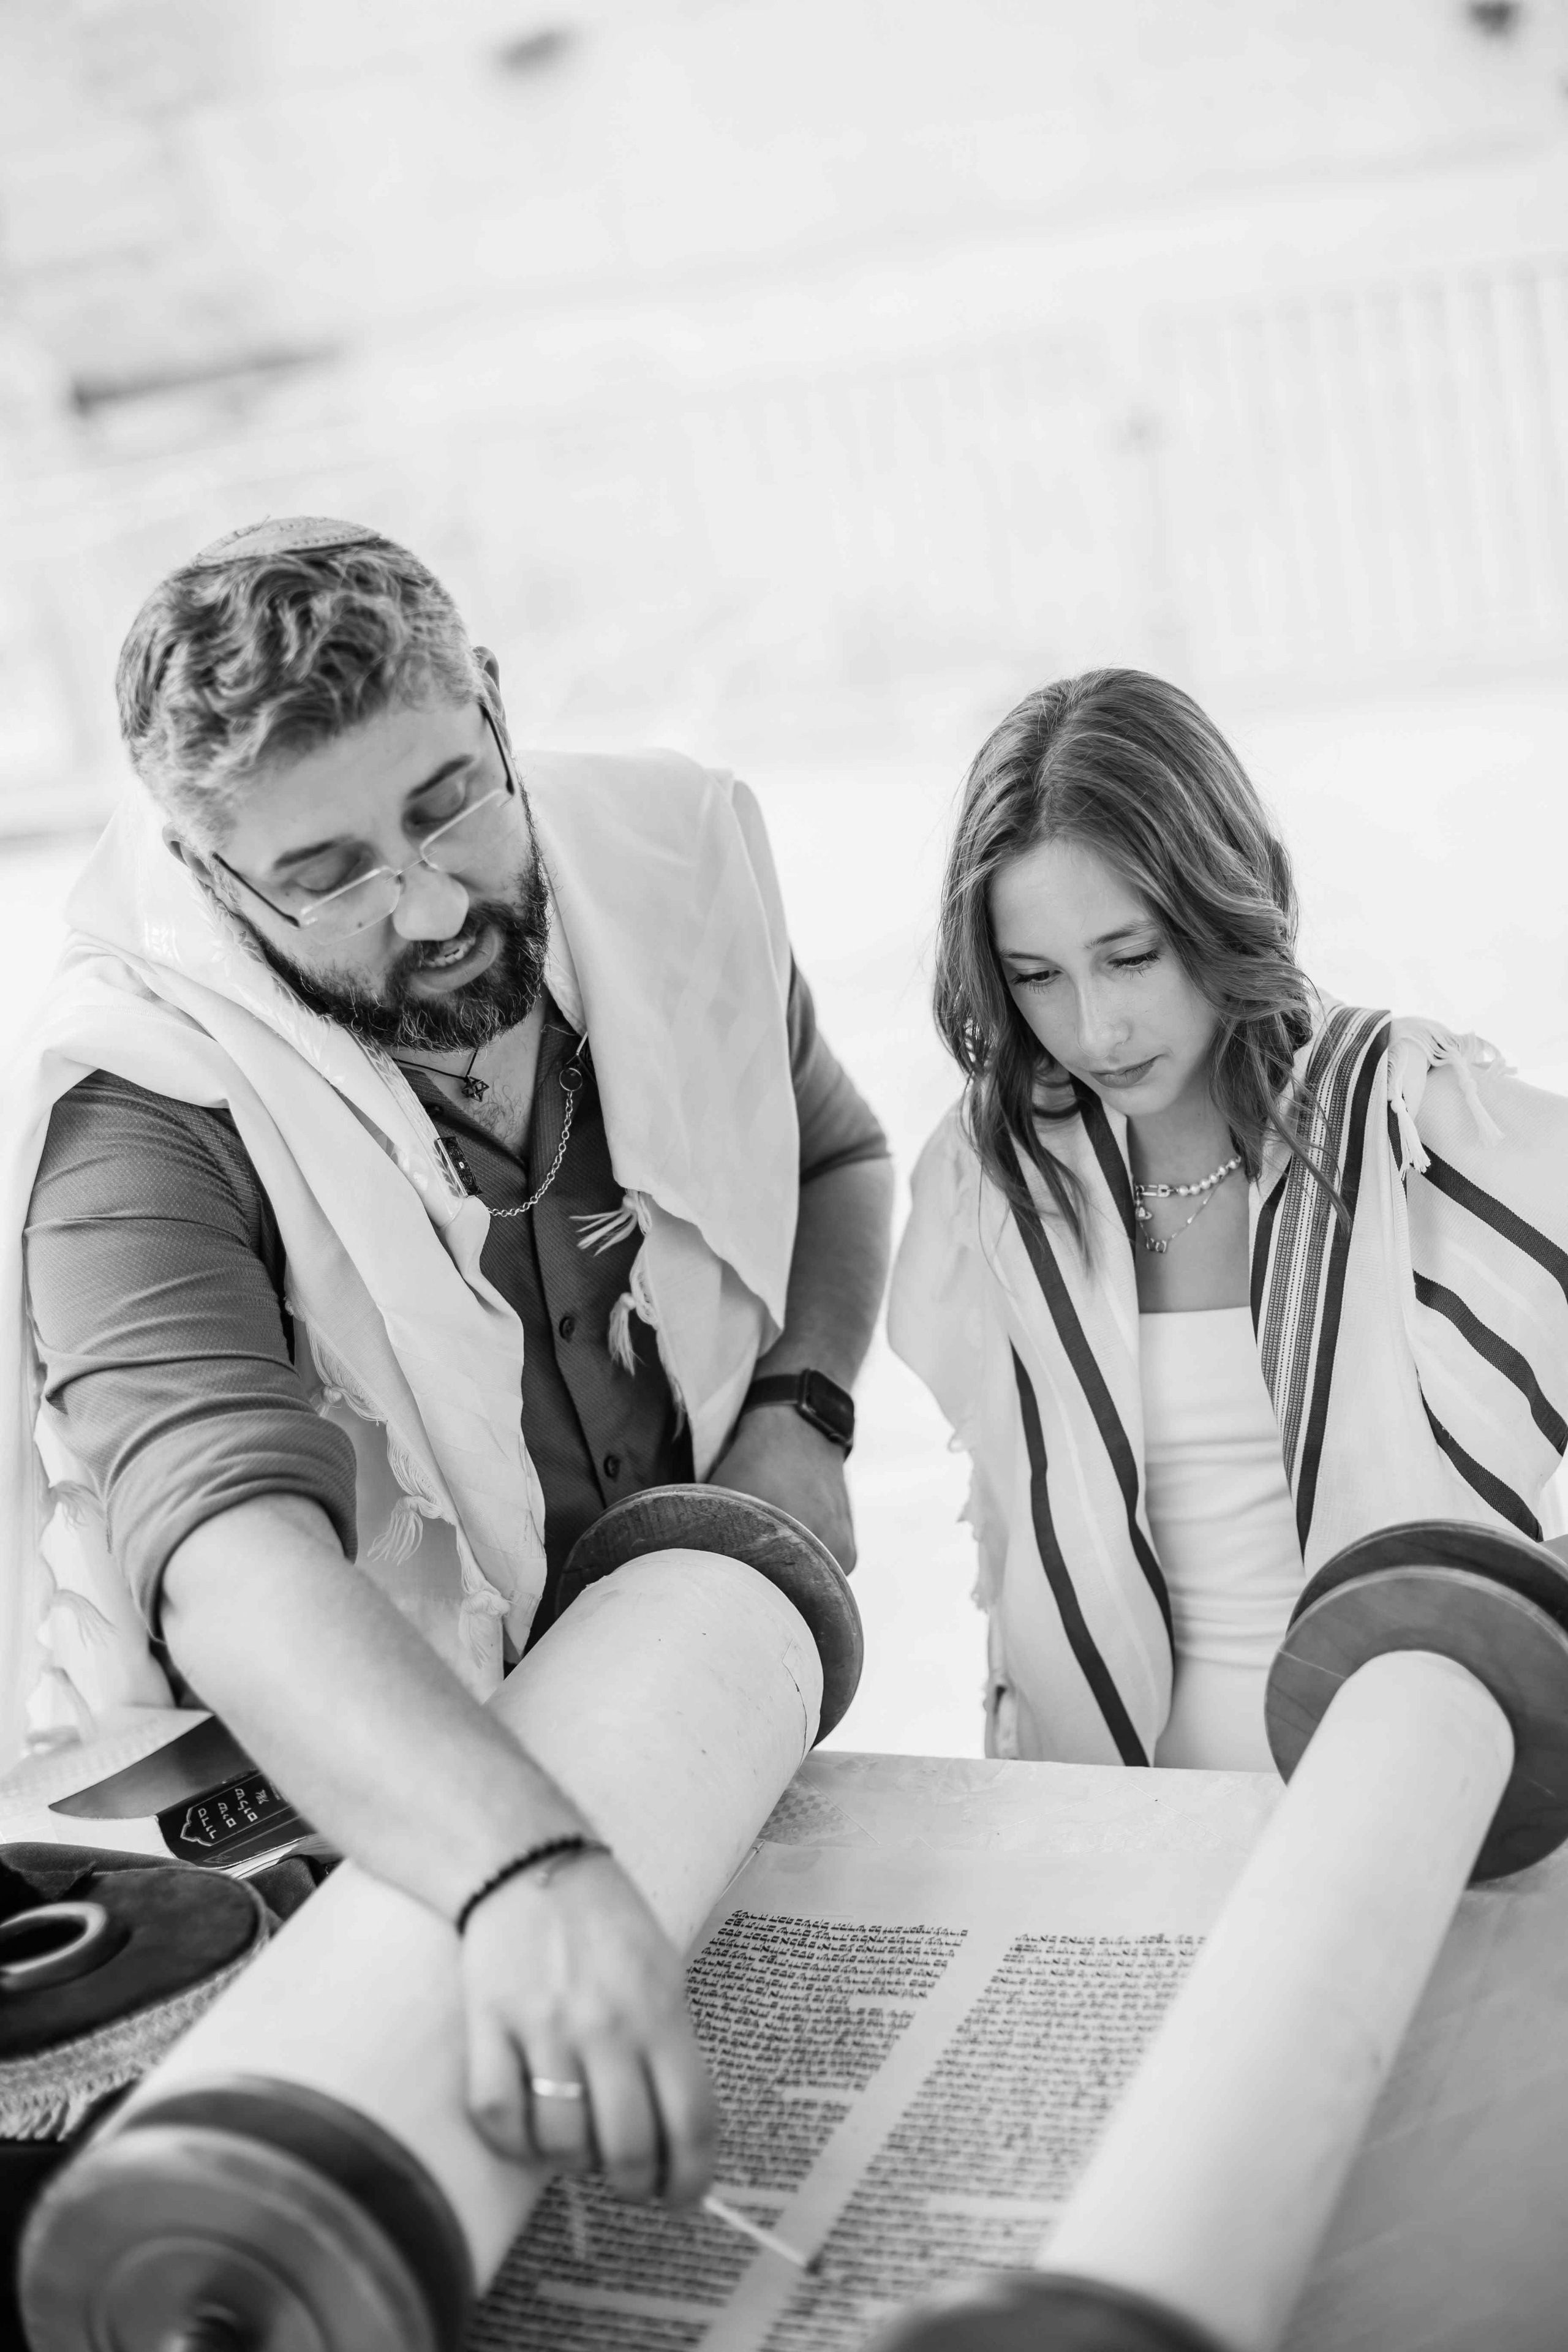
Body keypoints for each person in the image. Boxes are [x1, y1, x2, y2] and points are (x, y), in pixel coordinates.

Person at [6, 516, 894, 2207]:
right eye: (328, 874)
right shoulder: (133, 1108)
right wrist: (525, 1871)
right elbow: (224, 1557)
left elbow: (838, 1153)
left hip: (706, 1722)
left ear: (490, 701)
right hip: (380, 1856)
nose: (426, 904)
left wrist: (803, 1409)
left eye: (447, 802)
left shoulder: (670, 856)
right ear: (208, 875)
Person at [889, 668, 1568, 1773]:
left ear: (1226, 896)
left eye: (1130, 958)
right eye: (1036, 977)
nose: (1096, 1030)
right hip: (1109, 1813)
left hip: (1403, 1800)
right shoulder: (995, 1175)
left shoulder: (1406, 1121)